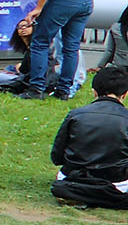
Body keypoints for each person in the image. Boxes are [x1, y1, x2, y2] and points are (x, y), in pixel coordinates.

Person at [50, 66, 128, 209]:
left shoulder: (75, 115)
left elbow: (57, 156)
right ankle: (105, 197)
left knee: (61, 184)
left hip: (74, 176)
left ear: (94, 92)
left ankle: (82, 194)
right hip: (116, 181)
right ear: (125, 94)